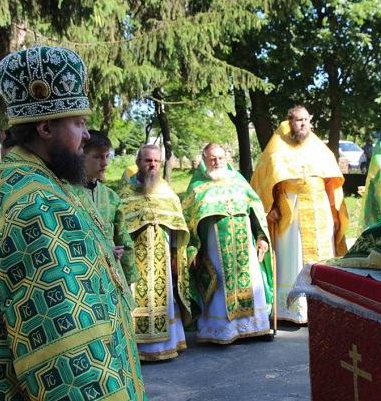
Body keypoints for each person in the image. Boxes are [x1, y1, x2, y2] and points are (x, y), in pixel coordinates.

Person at [0, 46, 151, 401]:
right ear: (45, 127)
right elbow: (64, 346)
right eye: (79, 124)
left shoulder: (38, 179)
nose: (86, 136)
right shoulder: (38, 205)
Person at [250, 105, 349, 324]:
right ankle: (293, 310)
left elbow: (331, 182)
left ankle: (324, 304)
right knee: (292, 256)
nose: (302, 124)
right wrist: (270, 208)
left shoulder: (320, 149)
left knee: (324, 258)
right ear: (289, 122)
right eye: (298, 120)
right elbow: (263, 182)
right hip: (291, 208)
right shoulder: (277, 147)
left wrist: (333, 213)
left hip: (320, 208)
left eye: (306, 120)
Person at [182, 143, 273, 343]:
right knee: (220, 285)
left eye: (221, 158)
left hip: (244, 246)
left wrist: (261, 236)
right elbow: (189, 221)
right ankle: (223, 330)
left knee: (251, 280)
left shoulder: (238, 180)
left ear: (226, 158)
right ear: (204, 160)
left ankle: (255, 327)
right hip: (214, 248)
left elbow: (255, 208)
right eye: (212, 158)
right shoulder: (197, 187)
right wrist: (192, 251)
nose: (217, 162)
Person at [119, 144, 190, 361]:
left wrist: (178, 254)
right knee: (135, 298)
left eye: (156, 161)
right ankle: (138, 349)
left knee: (165, 297)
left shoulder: (166, 191)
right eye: (148, 160)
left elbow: (179, 223)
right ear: (138, 162)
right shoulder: (124, 193)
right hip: (135, 259)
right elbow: (119, 224)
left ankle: (167, 345)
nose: (152, 165)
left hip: (162, 257)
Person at [71, 130, 136, 284]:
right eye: (98, 157)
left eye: (107, 156)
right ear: (81, 156)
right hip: (82, 279)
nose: (105, 163)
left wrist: (128, 279)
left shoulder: (111, 197)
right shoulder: (67, 193)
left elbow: (123, 239)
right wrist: (102, 254)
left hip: (112, 279)